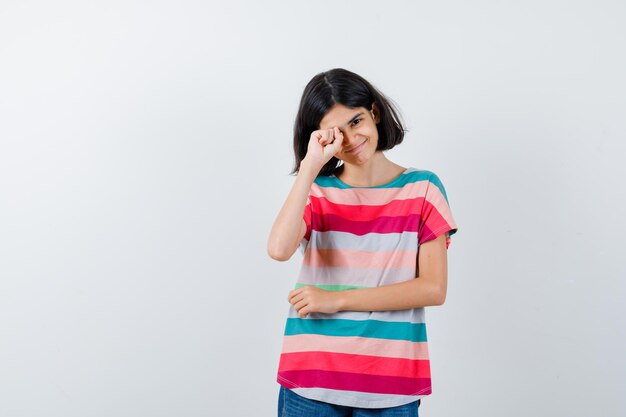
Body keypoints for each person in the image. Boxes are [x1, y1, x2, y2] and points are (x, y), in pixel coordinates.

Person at [267, 68, 459, 417]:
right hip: (312, 376)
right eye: (336, 132)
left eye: (356, 121)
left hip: (390, 382)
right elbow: (279, 249)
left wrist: (335, 300)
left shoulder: (423, 189)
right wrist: (310, 167)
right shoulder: (317, 191)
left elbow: (433, 289)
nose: (351, 138)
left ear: (374, 112)